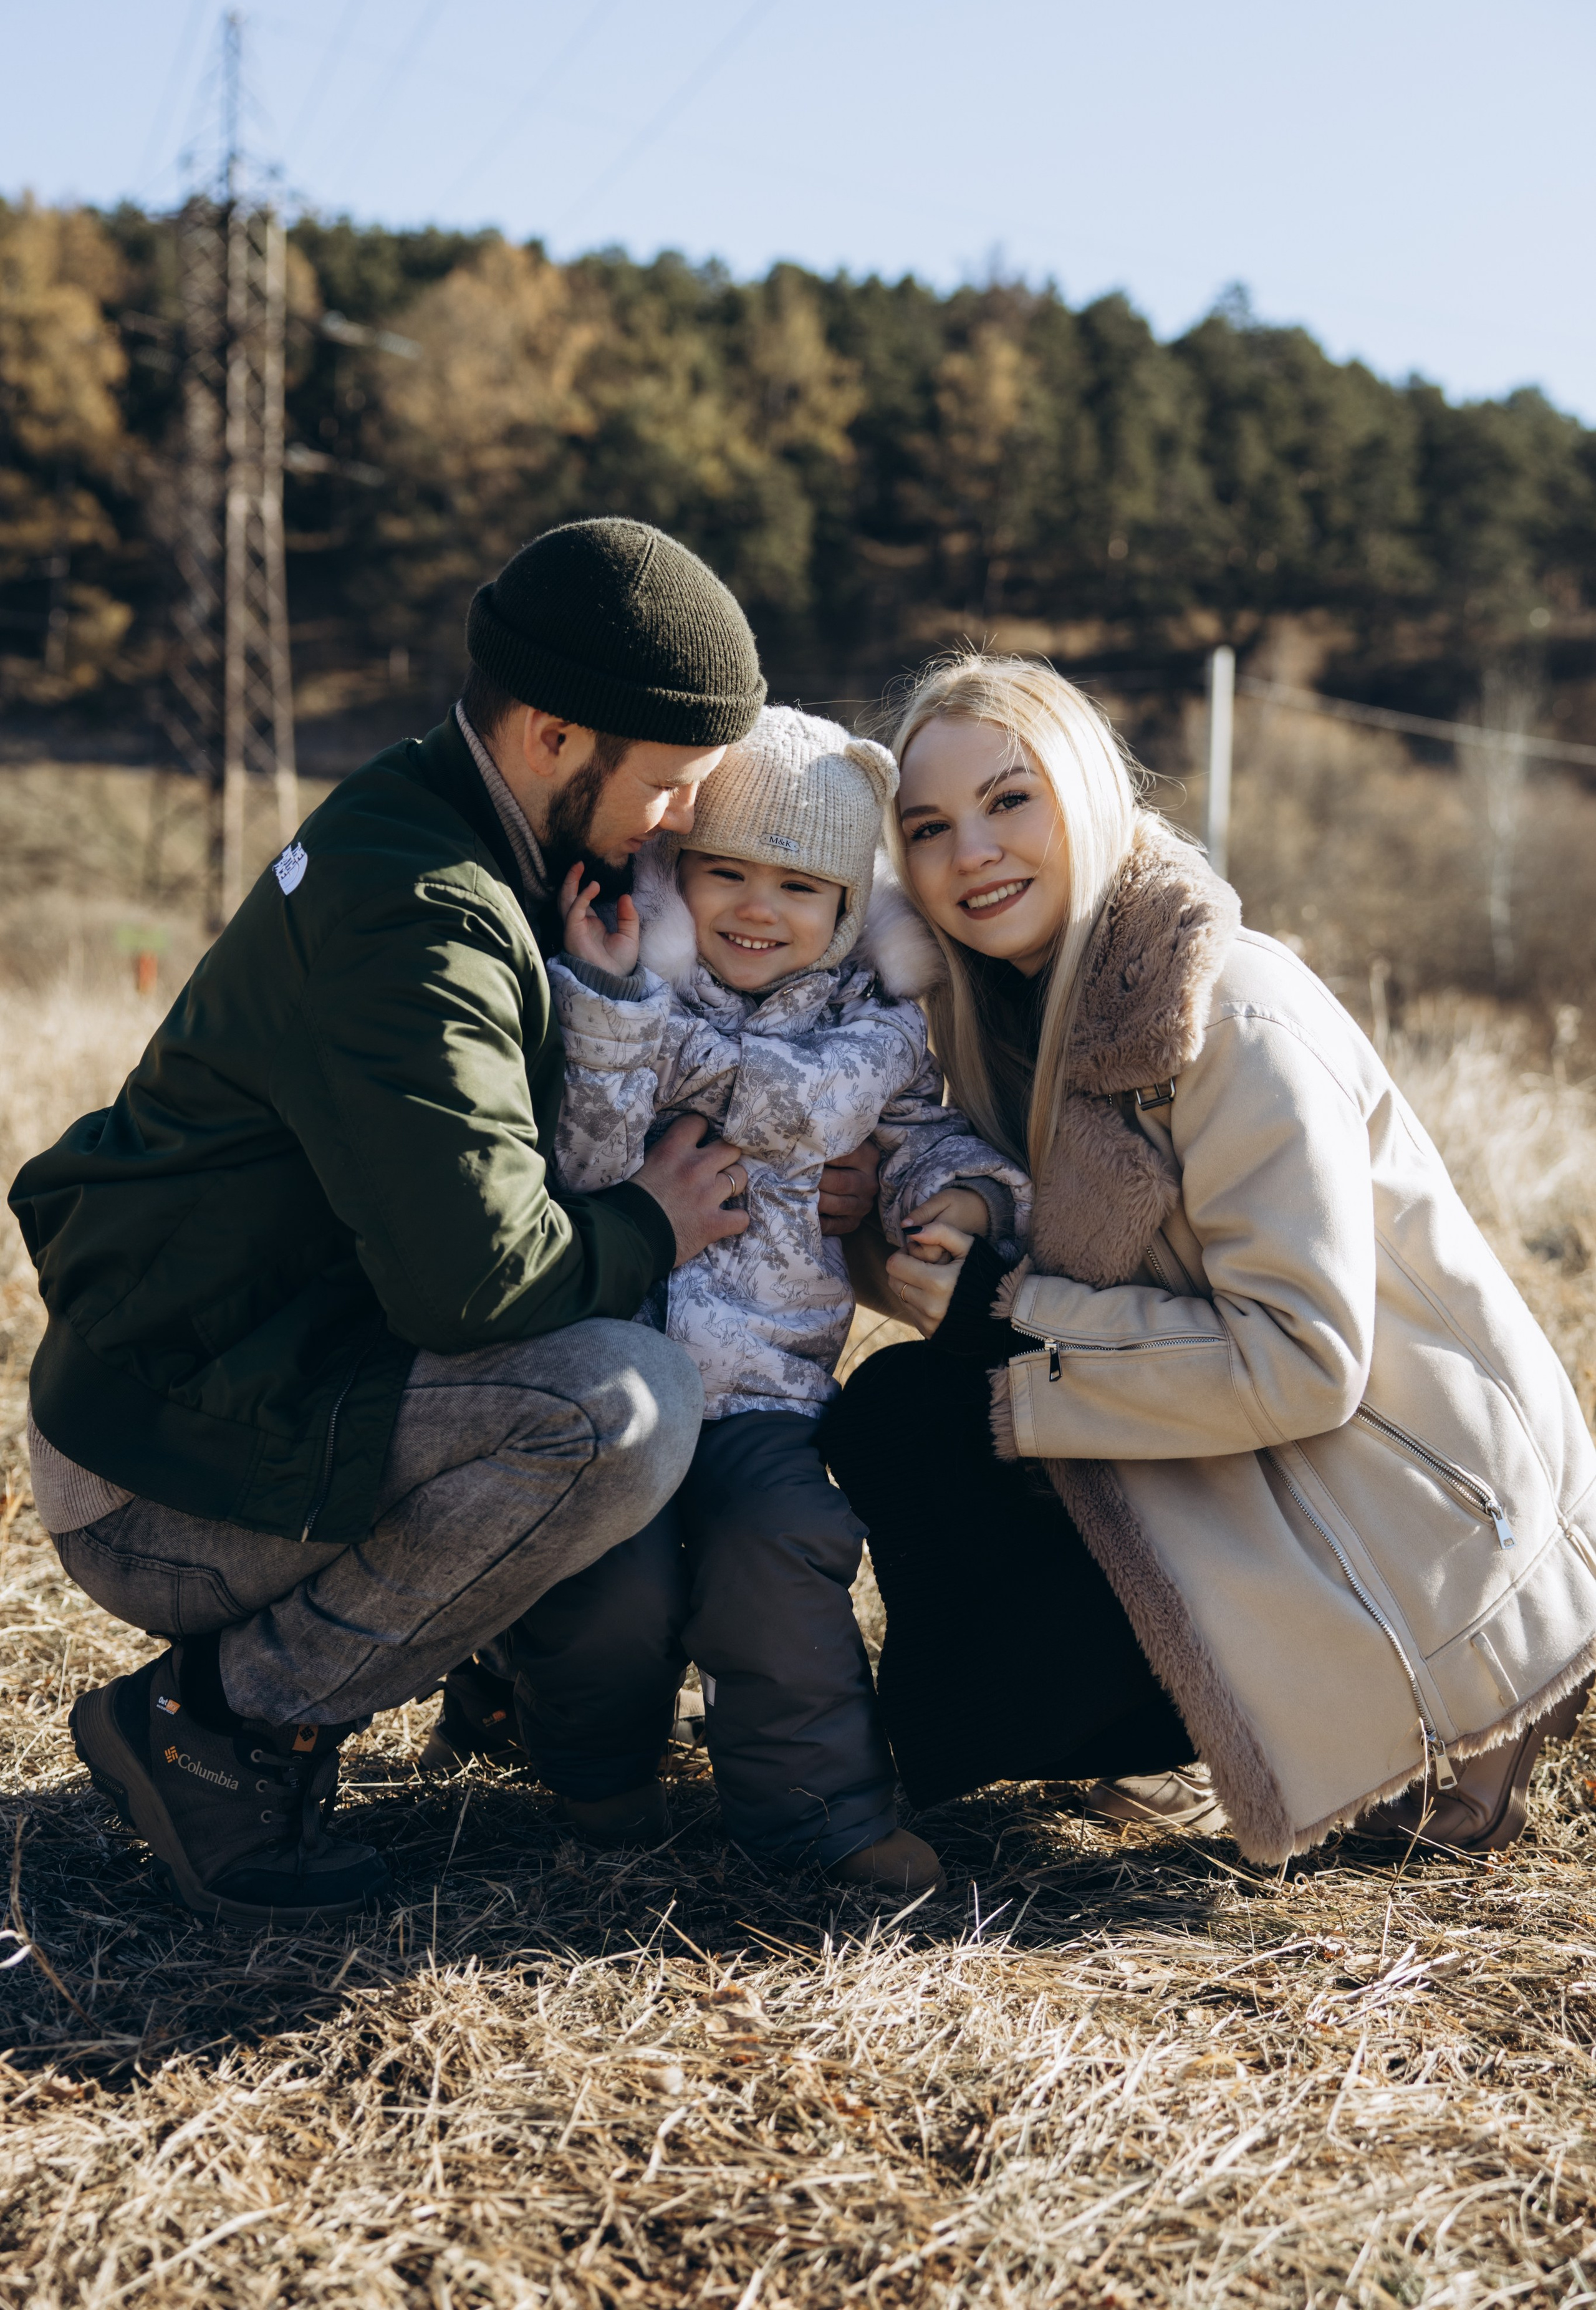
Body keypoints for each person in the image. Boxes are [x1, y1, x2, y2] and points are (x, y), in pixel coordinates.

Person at [9, 517, 875, 1930]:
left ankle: (487, 1664)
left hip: (246, 1388)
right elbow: (479, 1285)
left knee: (602, 1383)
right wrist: (654, 1222)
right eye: (666, 788)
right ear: (549, 734)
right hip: (158, 1477)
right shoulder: (418, 910)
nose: (677, 828)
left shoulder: (486, 836)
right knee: (620, 1404)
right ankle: (216, 1730)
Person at [819, 653, 1596, 1862]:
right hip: (1256, 1466)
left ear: (1087, 793)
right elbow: (1001, 1289)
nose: (969, 849)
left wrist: (1007, 1318)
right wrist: (892, 1229)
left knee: (968, 1543)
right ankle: (1080, 1725)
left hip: (1408, 1520)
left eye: (1008, 799)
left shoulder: (1220, 1008)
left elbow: (1300, 1361)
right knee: (900, 1417)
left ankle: (1449, 1717)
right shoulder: (1013, 1017)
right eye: (927, 826)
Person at [482, 706, 1028, 1893]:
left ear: (849, 913)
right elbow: (576, 1155)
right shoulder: (622, 1001)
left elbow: (928, 1141)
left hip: (769, 1388)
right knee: (611, 1582)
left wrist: (967, 1201)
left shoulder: (876, 1035)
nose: (756, 908)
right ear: (676, 877)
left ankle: (818, 1817)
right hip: (614, 1364)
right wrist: (614, 1009)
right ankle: (594, 1768)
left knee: (778, 1549)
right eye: (725, 872)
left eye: (799, 886)